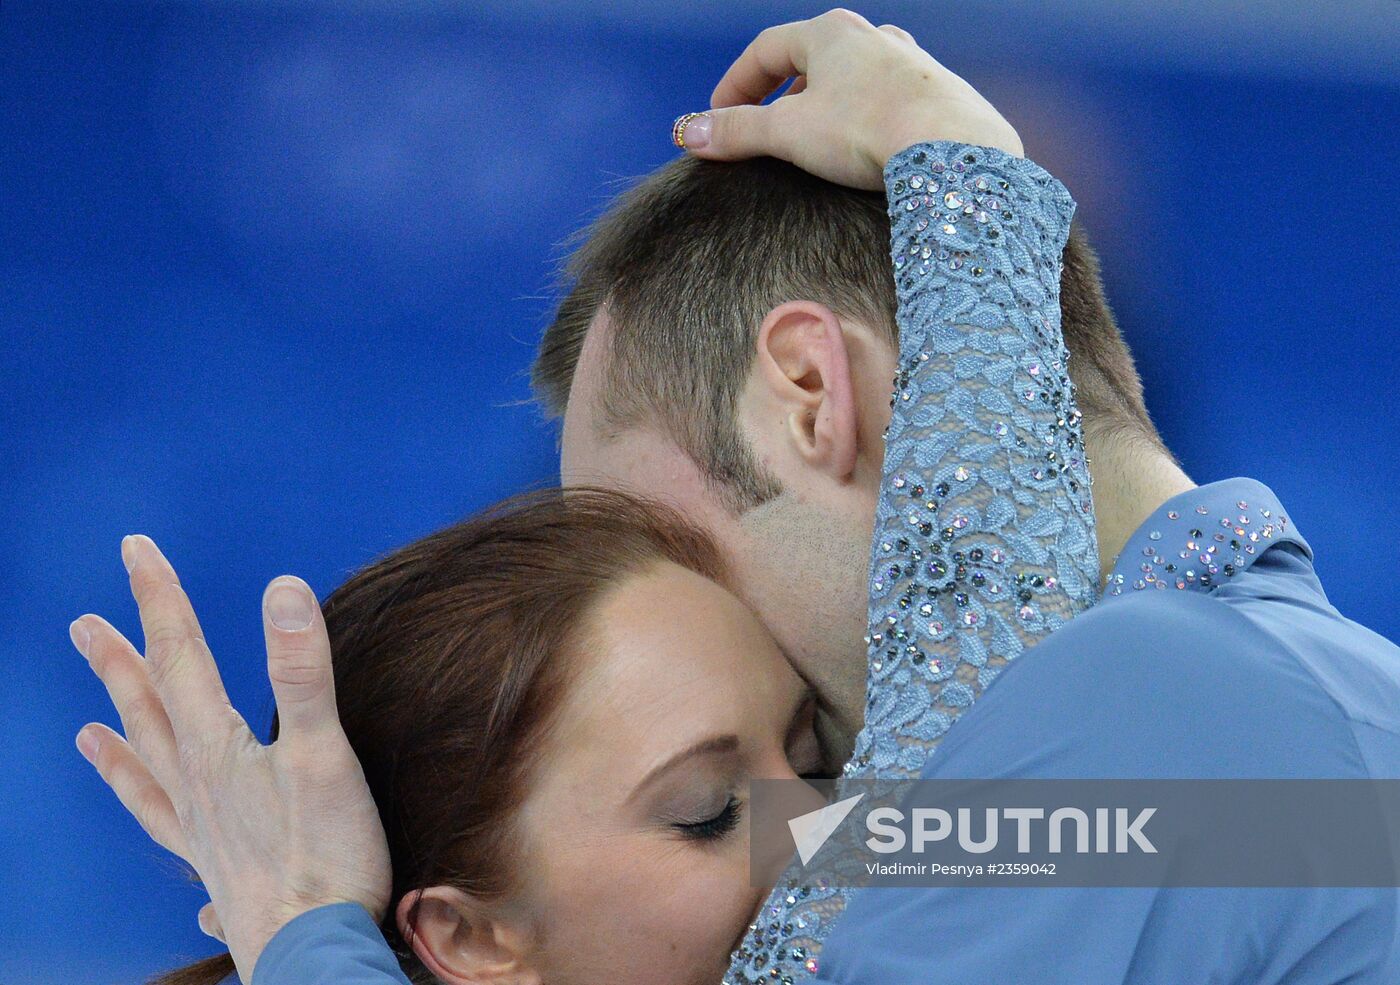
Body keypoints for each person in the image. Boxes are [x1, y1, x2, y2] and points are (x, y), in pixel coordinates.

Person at [71, 9, 1400, 985]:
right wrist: (969, 179)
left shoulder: (1116, 716)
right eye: (718, 804)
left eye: (673, 542)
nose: (811, 824)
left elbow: (974, 611)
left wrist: (308, 924)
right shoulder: (1303, 726)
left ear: (815, 398)